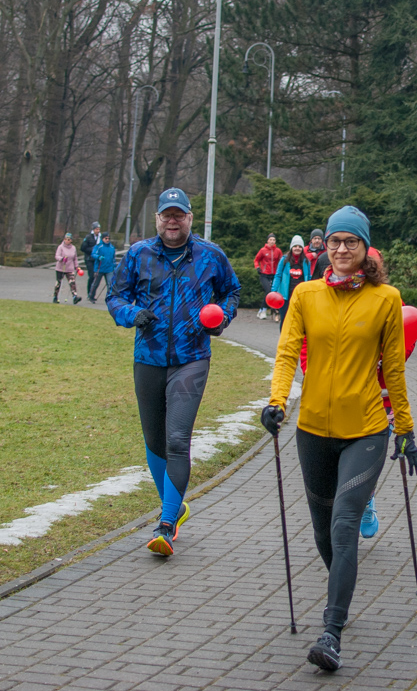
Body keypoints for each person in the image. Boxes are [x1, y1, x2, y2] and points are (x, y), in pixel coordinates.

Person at [261, 205, 417, 673]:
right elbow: (288, 350)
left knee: (344, 523)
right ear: (324, 246)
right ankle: (342, 587)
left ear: (364, 247)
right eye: (334, 241)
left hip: (367, 430)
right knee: (321, 528)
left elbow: (393, 369)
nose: (341, 249)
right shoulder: (305, 295)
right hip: (312, 429)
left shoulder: (385, 299)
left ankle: (331, 631)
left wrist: (406, 430)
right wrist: (277, 402)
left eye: (351, 241)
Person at [107, 187, 240, 556]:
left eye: (179, 214)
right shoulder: (138, 254)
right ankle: (175, 505)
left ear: (189, 219)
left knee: (177, 438)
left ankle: (166, 524)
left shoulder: (211, 256)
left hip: (192, 357)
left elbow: (232, 291)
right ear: (158, 219)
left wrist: (221, 318)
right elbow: (114, 296)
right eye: (167, 214)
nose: (172, 220)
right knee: (154, 441)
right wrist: (133, 315)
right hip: (148, 357)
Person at [270, 235, 311, 330]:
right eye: (295, 246)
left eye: (300, 246)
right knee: (284, 320)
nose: (297, 248)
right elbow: (278, 275)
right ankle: (283, 342)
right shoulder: (284, 260)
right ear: (292, 247)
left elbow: (309, 277)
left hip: (300, 296)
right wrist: (273, 291)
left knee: (299, 321)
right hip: (285, 296)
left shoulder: (306, 261)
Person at [253, 233, 283, 320]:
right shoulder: (263, 250)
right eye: (271, 240)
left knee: (273, 292)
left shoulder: (278, 251)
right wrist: (257, 268)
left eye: (274, 240)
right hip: (264, 275)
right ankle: (263, 310)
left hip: (274, 275)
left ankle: (265, 310)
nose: (272, 241)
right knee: (268, 291)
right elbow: (256, 260)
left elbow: (281, 261)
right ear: (267, 241)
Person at [54, 233, 82, 304]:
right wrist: (62, 259)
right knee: (58, 283)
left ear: (71, 240)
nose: (67, 241)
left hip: (69, 268)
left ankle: (75, 296)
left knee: (72, 282)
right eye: (66, 239)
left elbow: (75, 259)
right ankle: (55, 296)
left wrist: (77, 267)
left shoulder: (73, 248)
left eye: (69, 239)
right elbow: (57, 256)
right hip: (61, 268)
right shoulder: (60, 247)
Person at [88, 232, 116, 303]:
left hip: (109, 268)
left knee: (110, 284)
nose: (107, 240)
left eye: (108, 238)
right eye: (106, 238)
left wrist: (114, 266)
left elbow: (113, 258)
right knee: (96, 283)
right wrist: (98, 257)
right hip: (99, 268)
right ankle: (91, 296)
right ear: (102, 239)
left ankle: (109, 298)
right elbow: (93, 254)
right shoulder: (98, 246)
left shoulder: (112, 247)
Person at [80, 221, 102, 293]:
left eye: (99, 229)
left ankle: (92, 292)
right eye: (96, 229)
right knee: (92, 275)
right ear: (93, 229)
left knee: (96, 277)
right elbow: (83, 248)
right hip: (89, 259)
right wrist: (93, 250)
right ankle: (89, 291)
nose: (98, 231)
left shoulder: (100, 237)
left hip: (97, 259)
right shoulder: (88, 237)